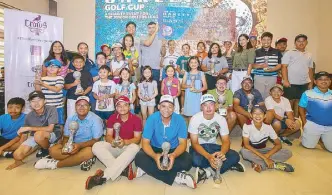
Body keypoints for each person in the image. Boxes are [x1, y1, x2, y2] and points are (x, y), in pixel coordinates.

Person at [135, 95, 196, 189]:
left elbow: (183, 143)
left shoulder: (180, 120)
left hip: (173, 149)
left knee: (188, 160)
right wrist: (155, 156)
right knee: (139, 157)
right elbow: (145, 143)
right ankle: (176, 177)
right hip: (155, 148)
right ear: (158, 106)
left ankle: (148, 169)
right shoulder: (151, 119)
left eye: (170, 106)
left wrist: (174, 155)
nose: (166, 109)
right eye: (163, 106)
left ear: (173, 108)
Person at [85, 96, 143, 190]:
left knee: (135, 148)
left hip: (127, 148)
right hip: (114, 146)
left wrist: (125, 142)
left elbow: (137, 139)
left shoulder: (136, 119)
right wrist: (112, 141)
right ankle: (123, 169)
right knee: (96, 146)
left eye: (125, 105)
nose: (122, 108)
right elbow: (108, 135)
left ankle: (103, 177)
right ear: (116, 108)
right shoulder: (112, 118)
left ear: (129, 107)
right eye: (119, 106)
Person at [34, 96, 103, 171]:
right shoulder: (70, 118)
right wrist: (65, 146)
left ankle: (56, 164)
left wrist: (79, 146)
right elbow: (66, 136)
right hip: (73, 144)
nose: (81, 107)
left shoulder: (96, 119)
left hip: (88, 145)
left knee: (88, 153)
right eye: (79, 105)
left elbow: (96, 140)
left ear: (89, 107)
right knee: (52, 150)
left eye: (85, 105)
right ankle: (79, 159)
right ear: (75, 107)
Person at [189, 94, 244, 184]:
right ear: (201, 107)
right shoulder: (195, 119)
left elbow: (226, 141)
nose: (208, 107)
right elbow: (194, 143)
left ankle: (208, 171)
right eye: (205, 105)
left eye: (211, 104)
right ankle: (220, 166)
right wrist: (209, 156)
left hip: (213, 146)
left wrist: (222, 153)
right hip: (199, 147)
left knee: (235, 156)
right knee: (194, 160)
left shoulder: (221, 119)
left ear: (215, 106)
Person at [6, 91, 60, 170]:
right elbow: (23, 136)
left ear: (45, 101)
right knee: (17, 155)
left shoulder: (52, 109)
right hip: (36, 137)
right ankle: (39, 147)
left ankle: (46, 150)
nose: (36, 103)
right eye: (33, 101)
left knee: (38, 135)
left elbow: (50, 128)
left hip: (53, 134)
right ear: (30, 103)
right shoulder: (29, 116)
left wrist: (29, 128)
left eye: (39, 100)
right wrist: (17, 154)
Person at [240, 105, 294, 173]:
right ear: (251, 115)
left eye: (260, 113)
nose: (258, 115)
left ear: (265, 116)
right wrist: (265, 158)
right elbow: (246, 145)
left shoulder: (268, 126)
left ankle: (260, 164)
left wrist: (266, 156)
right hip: (251, 150)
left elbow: (278, 145)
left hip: (263, 150)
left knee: (287, 152)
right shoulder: (247, 125)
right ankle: (273, 164)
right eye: (255, 113)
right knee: (244, 152)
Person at [282, 34, 314, 118]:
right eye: (298, 41)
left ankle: (296, 122)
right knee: (289, 102)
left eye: (303, 41)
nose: (301, 43)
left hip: (304, 84)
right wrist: (285, 80)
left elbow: (310, 69)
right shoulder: (289, 53)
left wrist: (310, 83)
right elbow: (284, 67)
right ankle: (289, 121)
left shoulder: (309, 54)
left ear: (306, 42)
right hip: (291, 83)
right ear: (295, 43)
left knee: (300, 103)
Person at [299, 71, 332, 152]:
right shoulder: (308, 93)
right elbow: (301, 107)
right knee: (308, 147)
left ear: (330, 81)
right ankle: (310, 137)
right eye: (320, 79)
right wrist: (304, 122)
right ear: (315, 81)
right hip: (313, 124)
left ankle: (322, 139)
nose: (324, 81)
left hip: (330, 126)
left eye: (326, 79)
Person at [35, 59, 65, 133]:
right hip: (45, 107)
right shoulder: (42, 79)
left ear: (59, 69)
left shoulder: (60, 78)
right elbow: (38, 92)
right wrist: (37, 82)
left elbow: (57, 89)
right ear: (46, 68)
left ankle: (59, 141)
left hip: (57, 107)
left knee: (59, 124)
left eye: (55, 67)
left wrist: (42, 84)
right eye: (49, 66)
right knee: (45, 125)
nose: (52, 68)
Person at [251, 32, 282, 99]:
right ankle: (258, 109)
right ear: (261, 40)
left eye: (268, 39)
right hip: (259, 77)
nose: (266, 41)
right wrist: (260, 66)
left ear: (271, 40)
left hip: (272, 77)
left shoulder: (277, 51)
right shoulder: (256, 52)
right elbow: (252, 65)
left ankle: (269, 109)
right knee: (258, 95)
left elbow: (279, 65)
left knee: (270, 96)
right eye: (264, 39)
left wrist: (272, 69)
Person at [176, 43, 191, 111]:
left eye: (186, 48)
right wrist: (180, 72)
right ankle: (182, 107)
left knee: (190, 93)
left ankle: (189, 107)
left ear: (189, 49)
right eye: (184, 48)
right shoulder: (180, 58)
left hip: (190, 78)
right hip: (181, 77)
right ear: (182, 50)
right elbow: (177, 68)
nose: (185, 50)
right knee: (182, 93)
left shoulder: (191, 58)